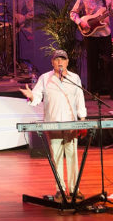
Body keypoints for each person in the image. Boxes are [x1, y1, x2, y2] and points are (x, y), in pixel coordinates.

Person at [19, 50, 87, 200]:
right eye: (57, 60)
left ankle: (75, 188)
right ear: (52, 62)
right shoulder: (45, 78)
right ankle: (60, 189)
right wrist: (31, 96)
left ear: (68, 62)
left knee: (73, 156)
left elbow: (79, 99)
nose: (60, 63)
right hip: (53, 124)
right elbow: (37, 96)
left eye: (63, 60)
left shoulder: (74, 78)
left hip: (71, 124)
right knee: (56, 158)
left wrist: (82, 119)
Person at [70, 0, 113, 101]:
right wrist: (80, 22)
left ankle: (112, 91)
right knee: (92, 64)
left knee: (108, 63)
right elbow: (73, 13)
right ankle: (95, 92)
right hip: (91, 35)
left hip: (105, 34)